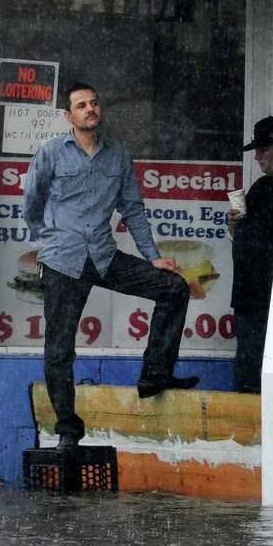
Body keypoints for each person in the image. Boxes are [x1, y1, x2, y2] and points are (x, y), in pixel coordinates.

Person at [24, 83, 198, 450]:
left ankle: (155, 375)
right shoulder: (52, 153)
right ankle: (68, 429)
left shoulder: (118, 154)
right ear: (68, 116)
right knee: (59, 350)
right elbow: (32, 203)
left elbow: (132, 208)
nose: (90, 109)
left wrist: (152, 256)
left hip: (103, 256)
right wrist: (48, 241)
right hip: (63, 261)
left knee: (174, 288)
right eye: (81, 105)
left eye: (94, 103)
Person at [227, 116, 273, 394]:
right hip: (249, 295)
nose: (257, 157)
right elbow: (248, 235)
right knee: (248, 369)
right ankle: (245, 436)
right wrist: (235, 227)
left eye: (263, 149)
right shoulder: (259, 188)